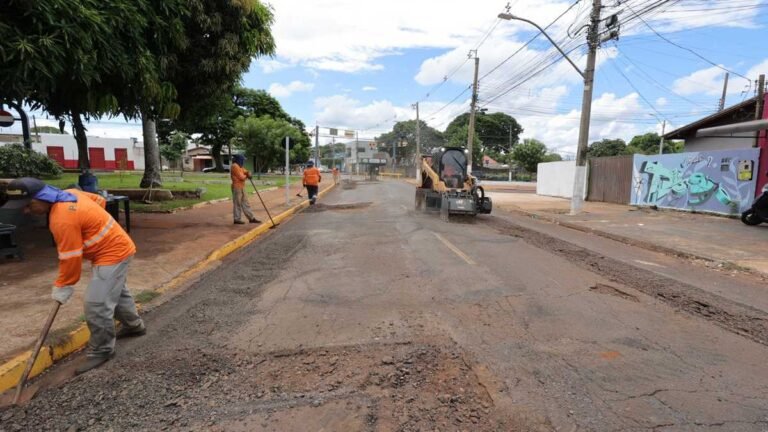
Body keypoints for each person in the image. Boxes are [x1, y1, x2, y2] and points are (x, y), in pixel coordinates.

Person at [2, 178, 145, 374]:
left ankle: (102, 350)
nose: (26, 211)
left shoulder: (62, 219)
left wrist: (63, 286)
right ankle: (134, 326)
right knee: (116, 291)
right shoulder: (71, 194)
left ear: (42, 198)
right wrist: (90, 224)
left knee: (96, 304)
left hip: (114, 253)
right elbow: (99, 200)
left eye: (28, 205)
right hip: (114, 247)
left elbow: (70, 259)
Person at [230, 154, 260, 225]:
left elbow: (246, 171)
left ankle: (251, 218)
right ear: (239, 160)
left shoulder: (240, 167)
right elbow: (241, 177)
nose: (243, 161)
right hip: (237, 188)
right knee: (237, 203)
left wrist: (248, 173)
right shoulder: (234, 166)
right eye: (242, 160)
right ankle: (237, 219)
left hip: (242, 187)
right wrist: (247, 176)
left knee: (246, 203)